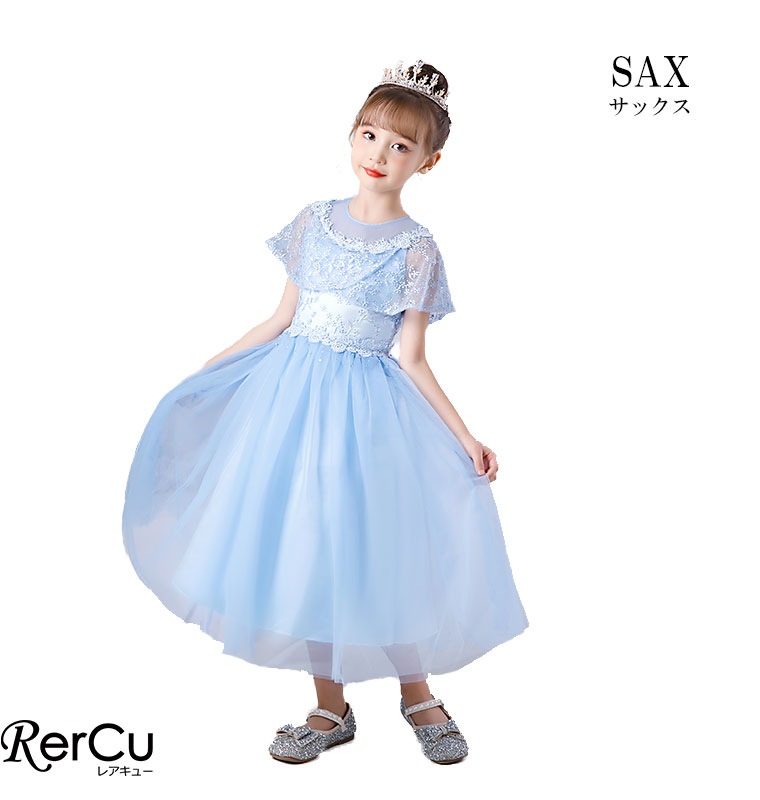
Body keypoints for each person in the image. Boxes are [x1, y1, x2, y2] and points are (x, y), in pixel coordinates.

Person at [122, 60, 529, 765]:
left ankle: (417, 693)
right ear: (351, 135)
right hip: (288, 407)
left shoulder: (417, 248)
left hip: (367, 418)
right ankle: (329, 707)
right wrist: (207, 371)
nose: (380, 154)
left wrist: (465, 436)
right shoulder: (313, 222)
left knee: (378, 547)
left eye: (401, 145)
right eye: (369, 135)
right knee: (305, 546)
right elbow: (279, 319)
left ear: (428, 162)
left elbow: (413, 357)